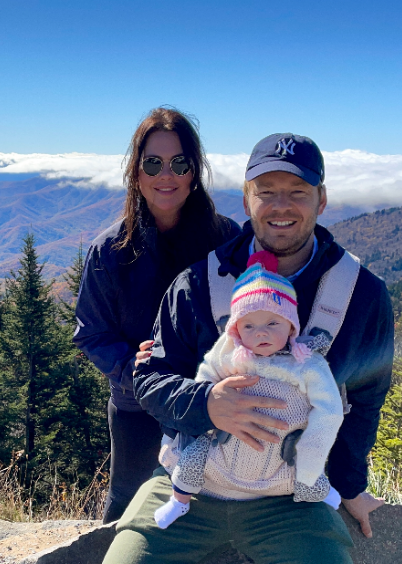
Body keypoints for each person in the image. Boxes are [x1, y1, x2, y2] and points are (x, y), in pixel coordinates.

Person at [103, 133, 394, 564]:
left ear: (322, 199)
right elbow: (150, 379)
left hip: (290, 501)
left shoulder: (360, 295)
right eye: (266, 192)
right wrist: (208, 403)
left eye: (298, 192)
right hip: (187, 490)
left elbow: (367, 397)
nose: (281, 206)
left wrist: (350, 486)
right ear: (246, 199)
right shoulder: (200, 283)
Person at [73, 107, 240, 524]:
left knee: (213, 505)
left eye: (179, 163)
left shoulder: (227, 241)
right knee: (126, 506)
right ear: (136, 172)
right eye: (153, 163)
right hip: (136, 408)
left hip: (213, 403)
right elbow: (91, 334)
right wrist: (137, 372)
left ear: (193, 172)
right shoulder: (108, 251)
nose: (166, 174)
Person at [152, 250, 344, 530]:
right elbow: (205, 376)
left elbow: (329, 411)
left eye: (272, 323)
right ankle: (179, 502)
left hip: (281, 456)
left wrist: (311, 456)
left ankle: (322, 494)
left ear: (291, 325)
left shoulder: (307, 364)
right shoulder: (230, 353)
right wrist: (208, 402)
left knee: (309, 479)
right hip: (223, 449)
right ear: (236, 329)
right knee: (191, 460)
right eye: (249, 326)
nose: (261, 333)